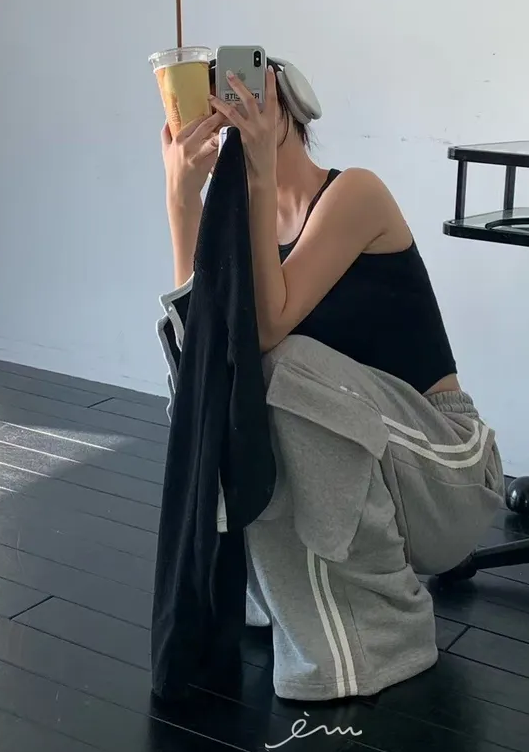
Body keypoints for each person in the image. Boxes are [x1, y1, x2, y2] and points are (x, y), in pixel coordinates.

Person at [159, 61, 503, 701]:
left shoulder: (355, 194)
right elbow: (202, 347)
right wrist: (182, 196)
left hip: (446, 469)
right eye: (219, 105)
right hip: (380, 464)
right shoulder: (252, 221)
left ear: (289, 106)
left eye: (249, 95)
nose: (234, 115)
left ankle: (377, 635)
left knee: (285, 365)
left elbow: (268, 329)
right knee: (209, 379)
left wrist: (258, 176)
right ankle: (284, 591)